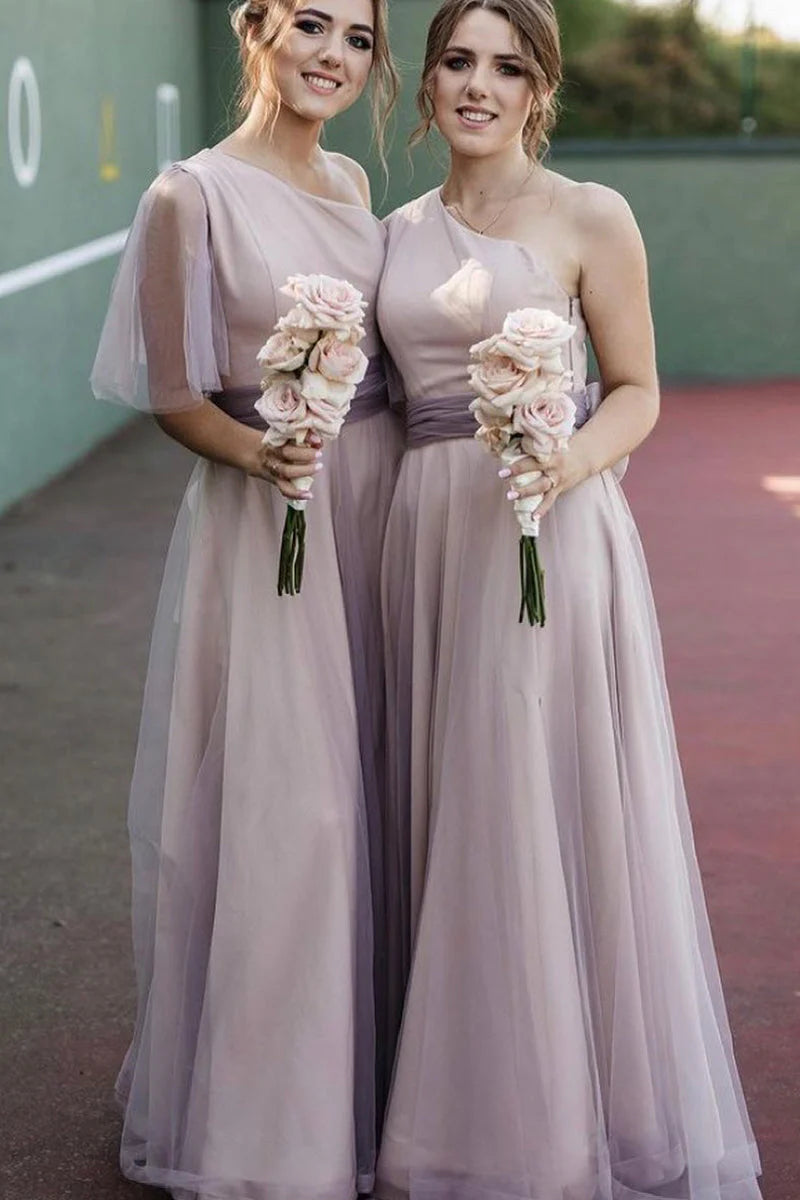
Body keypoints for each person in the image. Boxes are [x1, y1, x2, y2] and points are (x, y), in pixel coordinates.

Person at [375, 2, 762, 1197]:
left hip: (548, 530)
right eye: (456, 61)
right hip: (424, 540)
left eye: (506, 67)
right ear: (427, 81)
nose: (476, 85)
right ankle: (442, 1097)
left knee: (528, 798)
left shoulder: (593, 215)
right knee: (444, 798)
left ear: (539, 89)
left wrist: (567, 463)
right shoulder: (390, 235)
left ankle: (544, 1125)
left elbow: (636, 387)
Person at [91, 2, 401, 1196]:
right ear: (253, 29)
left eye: (359, 38)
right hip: (270, 513)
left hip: (374, 510)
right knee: (292, 814)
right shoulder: (189, 196)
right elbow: (174, 395)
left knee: (372, 787)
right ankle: (276, 1129)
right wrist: (259, 453)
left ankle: (372, 1082)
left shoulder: (353, 183)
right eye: (310, 24)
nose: (334, 55)